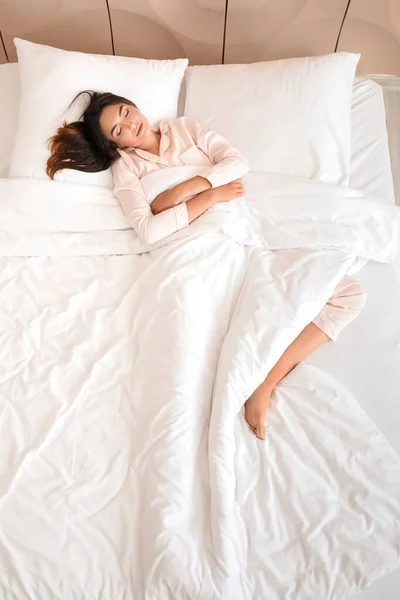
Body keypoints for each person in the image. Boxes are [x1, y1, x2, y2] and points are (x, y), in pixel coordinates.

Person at [47, 91, 367, 440]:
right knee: (204, 329)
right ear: (114, 144)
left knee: (348, 293)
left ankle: (267, 379)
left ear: (134, 104)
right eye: (118, 130)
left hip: (239, 232)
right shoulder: (127, 167)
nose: (130, 125)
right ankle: (237, 382)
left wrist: (179, 193)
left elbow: (236, 163)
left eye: (125, 113)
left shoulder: (185, 129)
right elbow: (148, 230)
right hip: (191, 248)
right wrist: (210, 194)